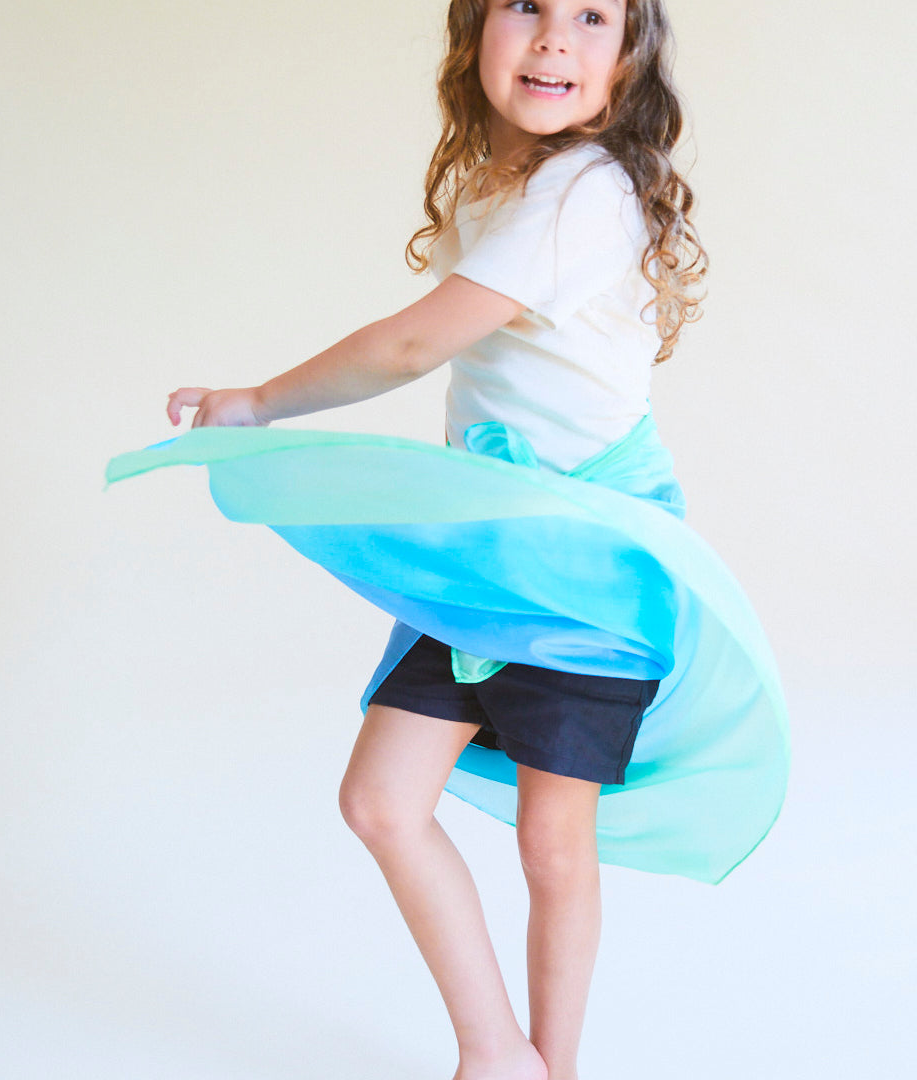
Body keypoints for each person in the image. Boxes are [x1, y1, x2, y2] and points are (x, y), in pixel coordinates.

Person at [114, 3, 788, 1079]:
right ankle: (497, 1053)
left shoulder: (587, 189)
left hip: (581, 571)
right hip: (489, 553)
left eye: (591, 16)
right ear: (474, 33)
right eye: (525, 5)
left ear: (628, 61)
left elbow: (414, 344)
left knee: (553, 843)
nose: (554, 37)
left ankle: (551, 1066)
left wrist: (260, 402)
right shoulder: (507, 183)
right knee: (381, 802)